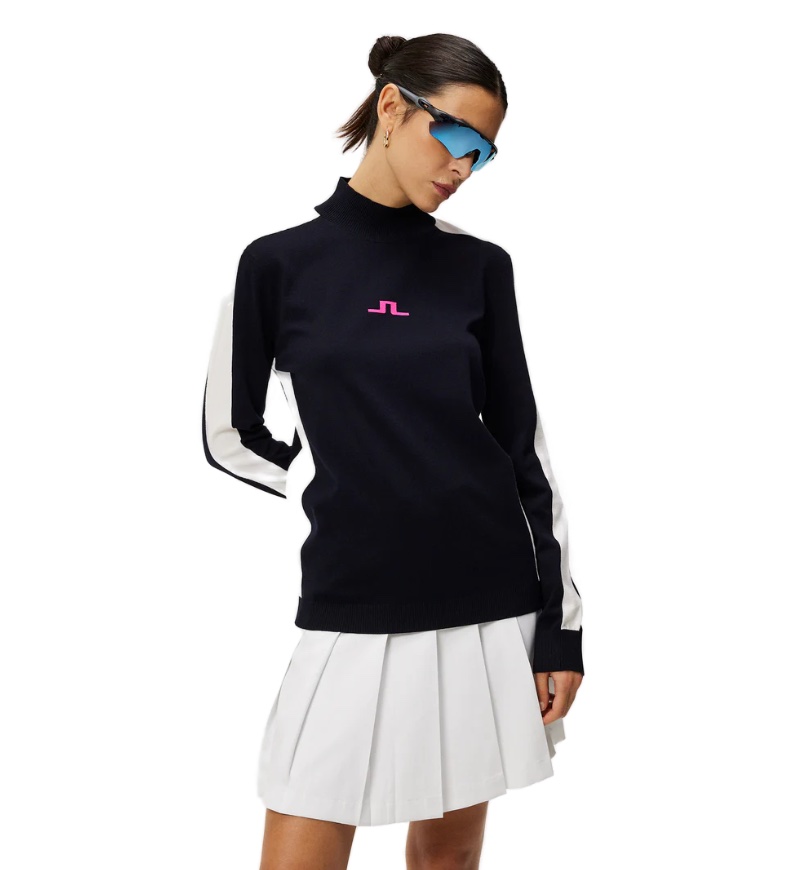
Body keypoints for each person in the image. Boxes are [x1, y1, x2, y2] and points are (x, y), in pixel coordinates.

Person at [202, 32, 585, 869]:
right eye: (454, 135)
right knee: (303, 824)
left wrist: (561, 632)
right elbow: (229, 434)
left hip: (489, 597)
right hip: (357, 594)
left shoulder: (480, 267)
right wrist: (335, 480)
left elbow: (523, 452)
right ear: (391, 106)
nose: (464, 165)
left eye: (484, 151)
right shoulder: (278, 263)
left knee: (447, 859)